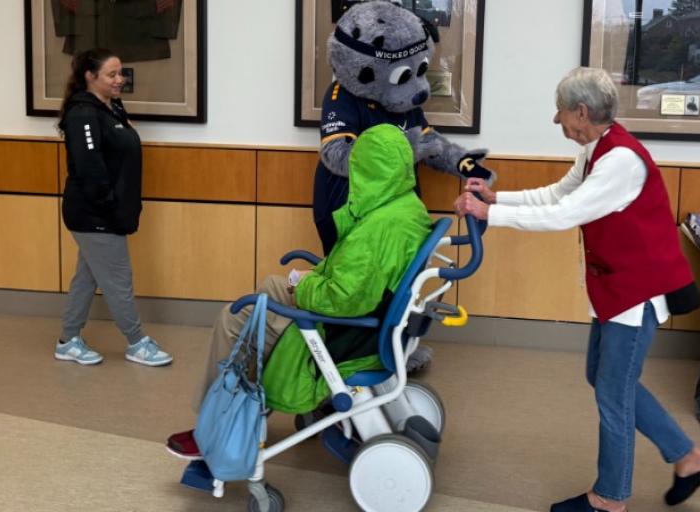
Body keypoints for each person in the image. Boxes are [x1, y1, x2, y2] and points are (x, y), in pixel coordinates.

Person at [454, 67, 700, 512]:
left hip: (635, 295)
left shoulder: (621, 161)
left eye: (560, 113)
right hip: (615, 288)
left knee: (613, 391)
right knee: (603, 379)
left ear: (581, 111)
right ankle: (690, 458)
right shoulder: (599, 148)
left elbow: (565, 214)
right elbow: (558, 194)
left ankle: (609, 499)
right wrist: (497, 199)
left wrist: (487, 216)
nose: (557, 122)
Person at [166, 123, 433, 459]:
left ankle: (217, 427)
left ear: (369, 169)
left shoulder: (379, 227)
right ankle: (244, 405)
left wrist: (305, 283)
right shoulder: (404, 206)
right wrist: (307, 278)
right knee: (270, 286)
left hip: (340, 328)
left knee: (234, 319)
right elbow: (360, 278)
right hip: (366, 318)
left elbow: (343, 299)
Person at [56, 48, 172, 367]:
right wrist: (111, 206)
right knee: (119, 278)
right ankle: (136, 342)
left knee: (87, 277)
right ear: (90, 77)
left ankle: (68, 340)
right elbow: (90, 168)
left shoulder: (111, 108)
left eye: (121, 73)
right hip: (94, 214)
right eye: (112, 74)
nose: (120, 79)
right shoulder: (83, 114)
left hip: (105, 213)